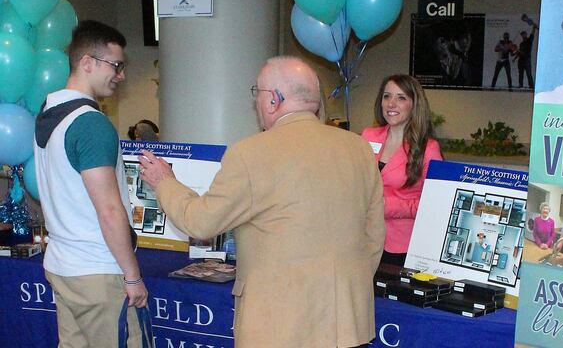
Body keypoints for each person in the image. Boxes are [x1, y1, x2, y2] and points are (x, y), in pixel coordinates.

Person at [138, 57, 384, 348]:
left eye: (258, 93)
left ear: (273, 100)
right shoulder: (358, 148)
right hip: (347, 325)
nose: (256, 103)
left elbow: (200, 222)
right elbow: (374, 234)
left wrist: (163, 181)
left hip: (279, 329)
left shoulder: (250, 153)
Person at [34, 20, 147, 347]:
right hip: (98, 271)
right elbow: (110, 210)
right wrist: (133, 275)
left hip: (62, 265)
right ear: (87, 63)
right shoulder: (90, 124)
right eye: (116, 65)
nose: (121, 75)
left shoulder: (48, 112)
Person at [362, 74, 442, 267]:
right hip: (363, 240)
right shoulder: (367, 136)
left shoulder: (428, 148)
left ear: (414, 105)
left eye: (401, 98)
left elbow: (435, 204)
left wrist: (387, 206)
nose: (391, 104)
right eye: (387, 96)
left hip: (403, 247)